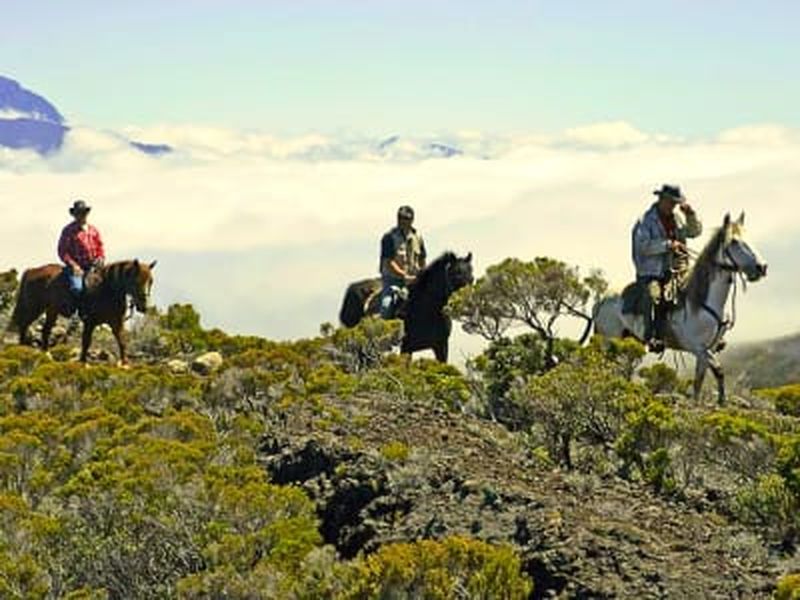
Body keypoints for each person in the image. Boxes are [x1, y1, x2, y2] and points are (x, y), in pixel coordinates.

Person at [632, 184, 702, 351]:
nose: (673, 206)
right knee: (653, 296)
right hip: (651, 272)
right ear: (661, 199)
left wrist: (691, 215)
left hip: (677, 268)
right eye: (670, 202)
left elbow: (694, 232)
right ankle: (652, 337)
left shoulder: (677, 218)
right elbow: (643, 246)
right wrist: (668, 245)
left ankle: (703, 331)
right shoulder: (645, 221)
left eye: (675, 203)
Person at [57, 199, 105, 319]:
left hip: (93, 266)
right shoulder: (68, 231)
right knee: (77, 288)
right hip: (76, 266)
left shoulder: (93, 230)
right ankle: (76, 315)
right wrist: (73, 265)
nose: (81, 216)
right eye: (78, 213)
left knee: (104, 286)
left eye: (83, 213)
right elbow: (63, 251)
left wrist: (100, 258)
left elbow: (100, 247)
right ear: (74, 215)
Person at [379, 205, 427, 318]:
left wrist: (421, 274)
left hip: (414, 281)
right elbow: (388, 262)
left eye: (406, 219)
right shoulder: (389, 237)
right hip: (393, 281)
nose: (403, 221)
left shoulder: (417, 237)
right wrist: (404, 276)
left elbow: (422, 258)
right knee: (386, 307)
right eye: (401, 218)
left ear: (412, 220)